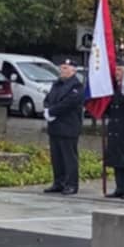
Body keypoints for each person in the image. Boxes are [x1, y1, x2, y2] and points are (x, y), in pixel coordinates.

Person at [41, 58, 86, 195]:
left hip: (68, 127)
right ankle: (58, 182)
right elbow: (48, 99)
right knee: (57, 157)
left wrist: (52, 112)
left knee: (69, 158)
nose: (62, 70)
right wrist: (47, 109)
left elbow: (69, 103)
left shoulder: (76, 86)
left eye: (65, 68)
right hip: (55, 126)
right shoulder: (57, 84)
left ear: (73, 70)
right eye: (61, 68)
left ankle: (71, 184)